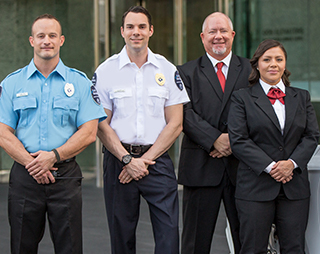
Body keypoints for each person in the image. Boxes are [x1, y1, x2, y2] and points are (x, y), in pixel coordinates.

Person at [0, 14, 106, 253]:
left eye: (52, 36)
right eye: (41, 36)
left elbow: (89, 132)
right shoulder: (12, 83)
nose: (46, 40)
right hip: (25, 178)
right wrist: (33, 163)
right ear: (31, 41)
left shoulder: (79, 82)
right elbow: (2, 132)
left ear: (61, 40)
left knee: (69, 247)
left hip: (65, 176)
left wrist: (53, 156)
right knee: (21, 247)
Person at [94, 5, 189, 254]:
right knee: (121, 236)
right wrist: (127, 159)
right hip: (118, 162)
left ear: (151, 31)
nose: (136, 32)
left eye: (142, 27)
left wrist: (142, 161)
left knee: (169, 236)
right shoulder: (105, 71)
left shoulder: (167, 70)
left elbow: (176, 123)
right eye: (131, 27)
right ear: (122, 32)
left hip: (157, 161)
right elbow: (101, 124)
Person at [228, 39, 320, 254]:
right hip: (255, 186)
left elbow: (311, 135)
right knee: (253, 248)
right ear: (257, 64)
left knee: (294, 248)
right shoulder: (241, 98)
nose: (273, 64)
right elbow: (239, 139)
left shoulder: (302, 97)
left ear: (285, 64)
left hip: (294, 187)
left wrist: (291, 164)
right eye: (267, 59)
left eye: (279, 59)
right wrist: (272, 167)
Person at [177, 12, 251, 254]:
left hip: (242, 168)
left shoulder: (251, 70)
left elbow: (260, 111)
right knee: (195, 243)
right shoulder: (185, 72)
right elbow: (183, 113)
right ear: (202, 37)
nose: (218, 37)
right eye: (212, 32)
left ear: (232, 35)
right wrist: (214, 140)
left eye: (223, 31)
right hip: (200, 166)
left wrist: (232, 141)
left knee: (248, 240)